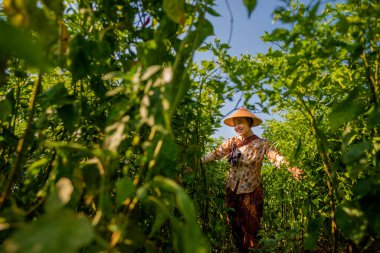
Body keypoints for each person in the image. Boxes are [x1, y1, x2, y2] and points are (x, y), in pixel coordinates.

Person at [201, 107, 302, 252]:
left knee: (252, 229)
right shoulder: (232, 142)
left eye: (240, 122)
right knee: (233, 226)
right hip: (232, 190)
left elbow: (276, 157)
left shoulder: (262, 144)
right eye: (235, 124)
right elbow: (214, 154)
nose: (237, 127)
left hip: (251, 191)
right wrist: (196, 162)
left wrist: (291, 168)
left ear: (249, 123)